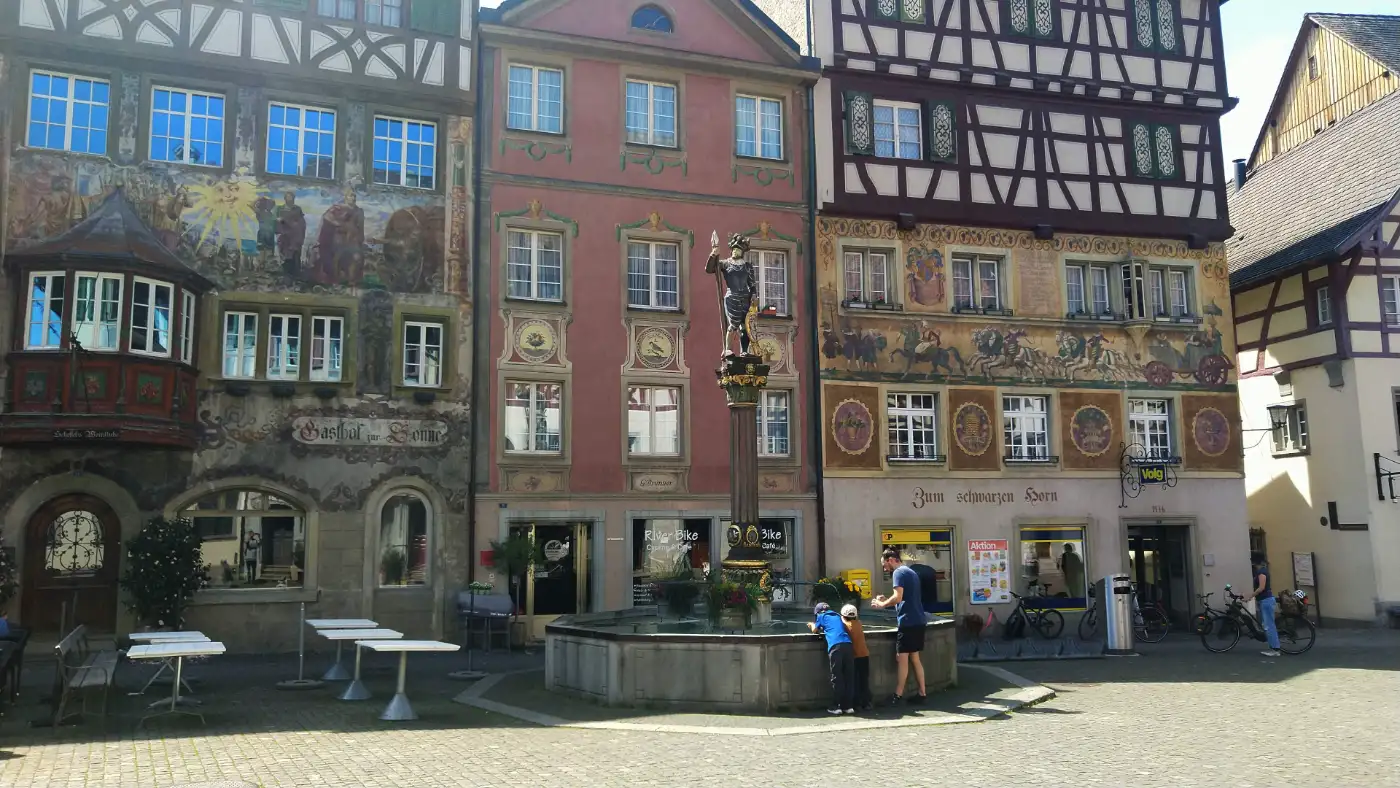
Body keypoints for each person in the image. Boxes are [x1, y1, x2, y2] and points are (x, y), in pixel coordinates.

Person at [871, 548, 927, 706]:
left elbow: (898, 597)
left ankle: (898, 695)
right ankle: (922, 693)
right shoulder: (910, 572)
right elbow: (904, 598)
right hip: (918, 619)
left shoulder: (898, 573)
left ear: (890, 560)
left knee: (902, 658)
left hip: (908, 622)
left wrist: (882, 604)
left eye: (884, 565)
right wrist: (887, 600)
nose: (884, 568)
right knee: (915, 658)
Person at [808, 602, 854, 714]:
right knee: (848, 676)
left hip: (835, 646)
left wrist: (811, 624)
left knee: (837, 676)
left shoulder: (821, 616)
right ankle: (848, 707)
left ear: (818, 612)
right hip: (848, 645)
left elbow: (815, 630)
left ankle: (836, 706)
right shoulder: (837, 615)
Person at [1241, 551, 1280, 657]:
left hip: (1266, 600)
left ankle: (1275, 649)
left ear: (1254, 561)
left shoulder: (1262, 572)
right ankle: (1274, 647)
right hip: (1265, 600)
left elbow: (1261, 588)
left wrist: (1250, 596)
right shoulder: (1262, 571)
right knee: (1267, 625)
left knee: (1269, 625)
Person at [841, 603, 872, 710]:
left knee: (854, 681)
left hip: (854, 657)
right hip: (864, 655)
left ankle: (856, 703)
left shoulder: (846, 625)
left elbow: (845, 623)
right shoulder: (859, 623)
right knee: (864, 680)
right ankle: (866, 702)